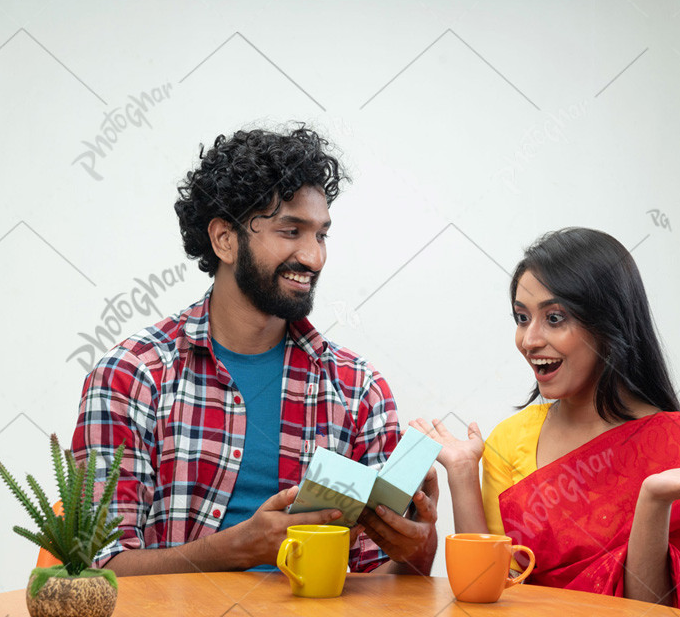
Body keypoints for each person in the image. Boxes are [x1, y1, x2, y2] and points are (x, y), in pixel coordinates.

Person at [71, 126, 437, 576]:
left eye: (321, 235)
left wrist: (416, 544)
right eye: (291, 231)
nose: (313, 257)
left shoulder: (358, 389)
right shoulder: (132, 376)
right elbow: (95, 568)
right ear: (225, 239)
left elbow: (383, 582)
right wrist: (234, 551)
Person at [412, 228, 680, 617]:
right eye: (522, 318)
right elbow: (488, 595)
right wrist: (461, 474)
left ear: (607, 322)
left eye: (554, 318)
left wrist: (653, 502)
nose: (529, 340)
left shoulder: (675, 448)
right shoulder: (511, 440)